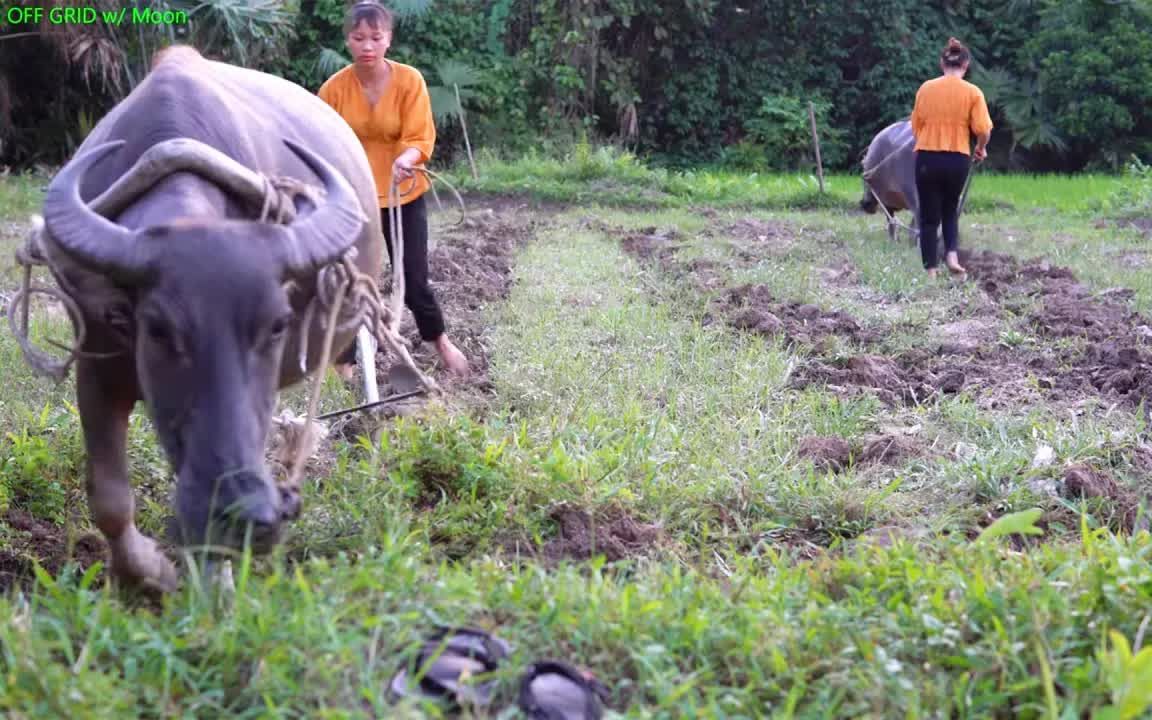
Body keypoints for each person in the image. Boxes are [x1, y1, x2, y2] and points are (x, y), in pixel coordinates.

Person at [317, 0, 469, 377]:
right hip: (353, 201)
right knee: (347, 283)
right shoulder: (334, 90)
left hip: (403, 193)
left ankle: (441, 343)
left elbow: (420, 134)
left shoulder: (409, 81)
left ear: (389, 40)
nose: (367, 46)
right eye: (358, 38)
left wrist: (408, 157)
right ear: (348, 42)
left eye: (375, 37)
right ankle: (344, 368)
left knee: (415, 280)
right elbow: (320, 140)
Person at [909, 37, 994, 279]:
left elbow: (916, 128)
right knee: (949, 209)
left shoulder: (926, 88)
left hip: (927, 158)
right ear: (965, 65)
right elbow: (983, 130)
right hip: (957, 159)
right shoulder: (973, 92)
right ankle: (952, 256)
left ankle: (931, 270)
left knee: (928, 217)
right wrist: (981, 147)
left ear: (941, 63)